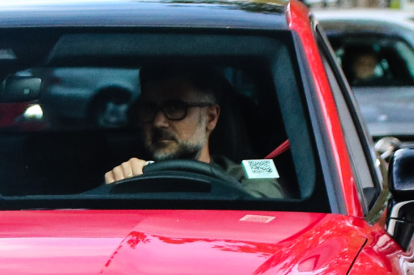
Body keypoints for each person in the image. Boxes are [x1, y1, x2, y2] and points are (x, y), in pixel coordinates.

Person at [102, 63, 285, 198]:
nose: (158, 122)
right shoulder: (129, 176)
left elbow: (262, 210)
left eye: (175, 108)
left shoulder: (247, 179)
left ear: (211, 117)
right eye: (149, 109)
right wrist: (121, 186)